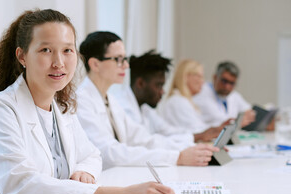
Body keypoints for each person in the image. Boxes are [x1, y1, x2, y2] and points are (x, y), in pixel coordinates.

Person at [0, 10, 175, 194]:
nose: (59, 62)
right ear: (22, 56)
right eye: (46, 50)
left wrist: (84, 171)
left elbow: (92, 155)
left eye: (67, 50)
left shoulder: (62, 109)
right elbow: (21, 184)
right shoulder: (1, 110)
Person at [76, 31, 219, 170]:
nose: (126, 65)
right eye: (118, 59)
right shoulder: (81, 101)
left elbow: (145, 139)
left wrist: (191, 148)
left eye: (125, 59)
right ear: (95, 64)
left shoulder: (110, 100)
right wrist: (177, 157)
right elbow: (109, 152)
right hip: (104, 179)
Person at [127, 51, 224, 142]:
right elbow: (146, 143)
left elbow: (168, 131)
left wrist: (200, 135)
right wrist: (199, 136)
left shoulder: (146, 109)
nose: (162, 91)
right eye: (158, 85)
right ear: (140, 83)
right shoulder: (126, 109)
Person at [160, 59, 231, 142]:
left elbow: (199, 129)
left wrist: (218, 128)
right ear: (186, 76)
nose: (202, 81)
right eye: (199, 76)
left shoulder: (185, 101)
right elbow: (196, 132)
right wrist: (216, 130)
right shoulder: (177, 102)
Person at [192, 61, 255, 128]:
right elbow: (218, 119)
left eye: (232, 83)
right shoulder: (200, 92)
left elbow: (249, 112)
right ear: (215, 77)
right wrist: (238, 122)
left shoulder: (233, 95)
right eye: (224, 81)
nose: (227, 87)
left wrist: (249, 116)